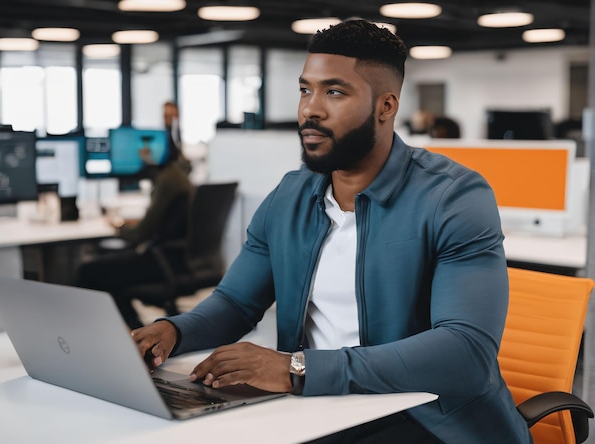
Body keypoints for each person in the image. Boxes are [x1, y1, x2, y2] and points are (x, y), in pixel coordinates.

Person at [131, 20, 532, 443]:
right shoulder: (290, 197)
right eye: (306, 89)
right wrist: (173, 331)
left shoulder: (453, 197)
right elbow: (235, 303)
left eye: (335, 92)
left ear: (386, 106)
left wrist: (295, 368)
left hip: (426, 417)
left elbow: (465, 352)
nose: (310, 109)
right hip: (318, 405)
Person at [75, 103, 193, 330]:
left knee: (88, 271)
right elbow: (156, 224)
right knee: (108, 274)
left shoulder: (167, 181)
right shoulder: (175, 175)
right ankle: (133, 329)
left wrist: (119, 227)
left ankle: (113, 332)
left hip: (161, 260)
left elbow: (140, 235)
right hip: (173, 256)